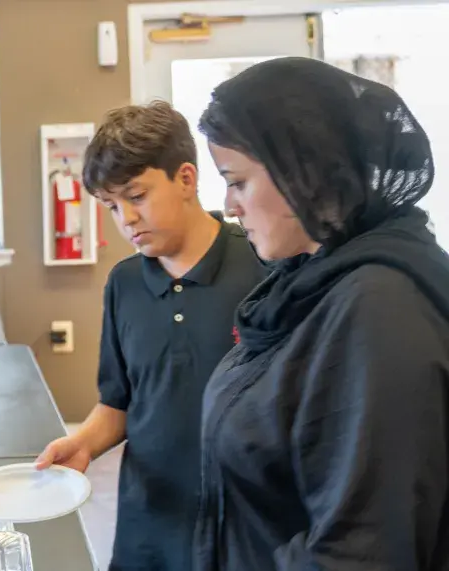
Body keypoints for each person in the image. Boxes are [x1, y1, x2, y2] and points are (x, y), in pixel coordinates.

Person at [191, 57, 449, 570]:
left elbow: (360, 549)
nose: (228, 205)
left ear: (301, 173)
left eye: (237, 181)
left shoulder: (380, 308)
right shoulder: (311, 274)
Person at [34, 101, 267, 570]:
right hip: (149, 524)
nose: (125, 220)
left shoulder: (263, 268)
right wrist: (82, 444)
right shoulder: (124, 284)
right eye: (110, 206)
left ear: (185, 179)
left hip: (244, 527)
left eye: (136, 196)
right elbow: (117, 405)